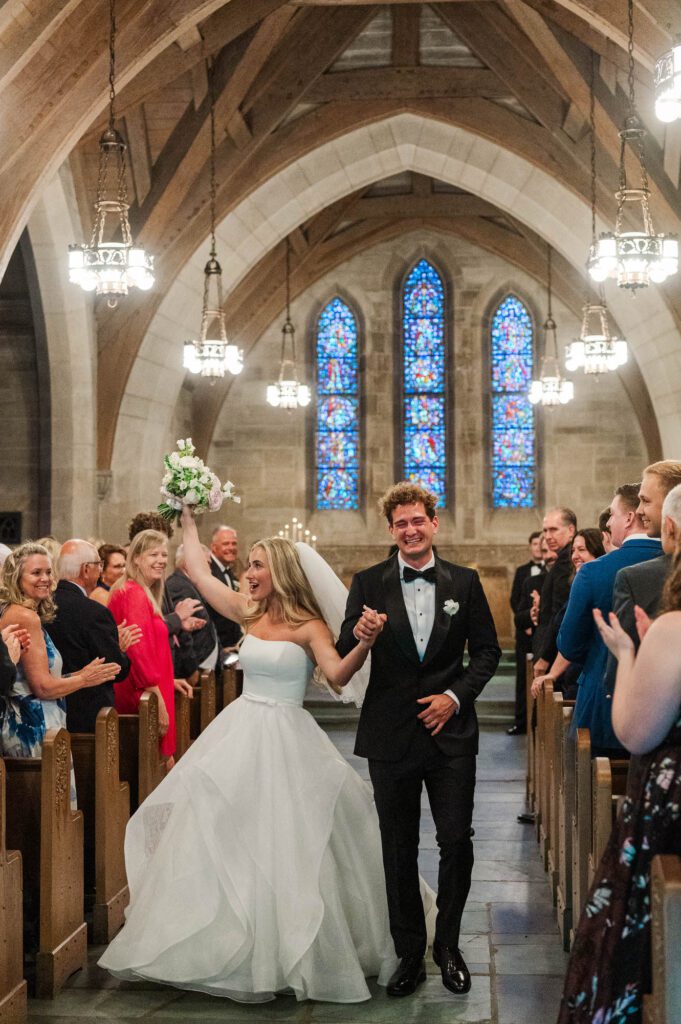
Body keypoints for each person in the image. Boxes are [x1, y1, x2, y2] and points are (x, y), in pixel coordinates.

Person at [99, 506, 402, 1004]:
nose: (249, 573)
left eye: (259, 565)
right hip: (240, 731)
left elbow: (339, 675)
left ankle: (292, 948)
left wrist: (365, 642)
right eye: (249, 565)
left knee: (292, 840)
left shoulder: (309, 627)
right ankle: (221, 939)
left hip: (287, 736)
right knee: (221, 831)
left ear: (280, 572)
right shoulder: (248, 611)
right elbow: (196, 569)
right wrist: (189, 518)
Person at [337, 482, 501, 998]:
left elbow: (489, 653)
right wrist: (362, 635)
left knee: (455, 841)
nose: (410, 530)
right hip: (391, 734)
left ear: (435, 523)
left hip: (451, 734)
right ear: (391, 530)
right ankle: (409, 951)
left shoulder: (465, 582)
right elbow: (344, 650)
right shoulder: (367, 584)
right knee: (397, 846)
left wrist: (455, 696)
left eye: (418, 520)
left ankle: (447, 945)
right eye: (400, 523)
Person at [557, 545, 681, 1022]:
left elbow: (635, 731)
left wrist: (630, 654)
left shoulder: (673, 626)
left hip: (671, 801)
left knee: (647, 938)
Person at [0, 542, 121, 763]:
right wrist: (84, 679)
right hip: (33, 724)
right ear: (16, 577)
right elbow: (43, 687)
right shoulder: (26, 617)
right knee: (46, 796)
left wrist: (78, 675)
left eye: (48, 571)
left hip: (35, 720)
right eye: (36, 573)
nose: (45, 578)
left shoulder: (19, 611)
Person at [47, 539, 137, 733]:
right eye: (99, 564)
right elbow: (116, 669)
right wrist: (118, 648)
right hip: (88, 716)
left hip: (52, 711)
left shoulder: (43, 605)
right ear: (86, 569)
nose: (100, 569)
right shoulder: (93, 612)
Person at [108, 530, 180, 760]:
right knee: (155, 765)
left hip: (152, 686)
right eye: (153, 555)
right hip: (143, 691)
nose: (161, 560)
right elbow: (137, 650)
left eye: (164, 554)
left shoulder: (139, 591)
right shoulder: (133, 593)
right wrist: (156, 697)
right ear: (136, 558)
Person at [533, 508, 577, 677]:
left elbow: (560, 615)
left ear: (571, 530)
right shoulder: (562, 560)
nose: (548, 536)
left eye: (554, 530)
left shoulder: (567, 561)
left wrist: (545, 657)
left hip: (556, 656)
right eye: (545, 530)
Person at [165, 543, 219, 679]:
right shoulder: (178, 586)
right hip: (195, 670)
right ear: (188, 564)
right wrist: (191, 669)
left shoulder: (188, 584)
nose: (210, 570)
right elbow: (182, 631)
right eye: (206, 563)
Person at [508, 531, 543, 735]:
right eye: (535, 544)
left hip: (543, 633)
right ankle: (520, 721)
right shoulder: (522, 571)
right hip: (525, 633)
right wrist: (527, 623)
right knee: (523, 679)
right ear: (530, 546)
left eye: (541, 543)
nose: (538, 547)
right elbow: (514, 599)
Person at [206, 524, 242, 652]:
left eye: (234, 543)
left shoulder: (229, 571)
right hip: (217, 647)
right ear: (213, 547)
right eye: (226, 544)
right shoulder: (209, 571)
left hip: (231, 646)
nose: (231, 548)